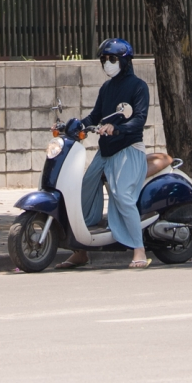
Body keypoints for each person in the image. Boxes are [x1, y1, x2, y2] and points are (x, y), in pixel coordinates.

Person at [61, 37, 152, 270]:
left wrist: (118, 128)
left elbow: (139, 121)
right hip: (106, 151)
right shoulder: (107, 88)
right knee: (82, 192)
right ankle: (80, 251)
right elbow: (95, 117)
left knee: (122, 195)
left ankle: (139, 250)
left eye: (112, 59)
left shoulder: (138, 87)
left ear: (125, 60)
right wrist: (74, 125)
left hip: (128, 150)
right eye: (104, 59)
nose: (107, 63)